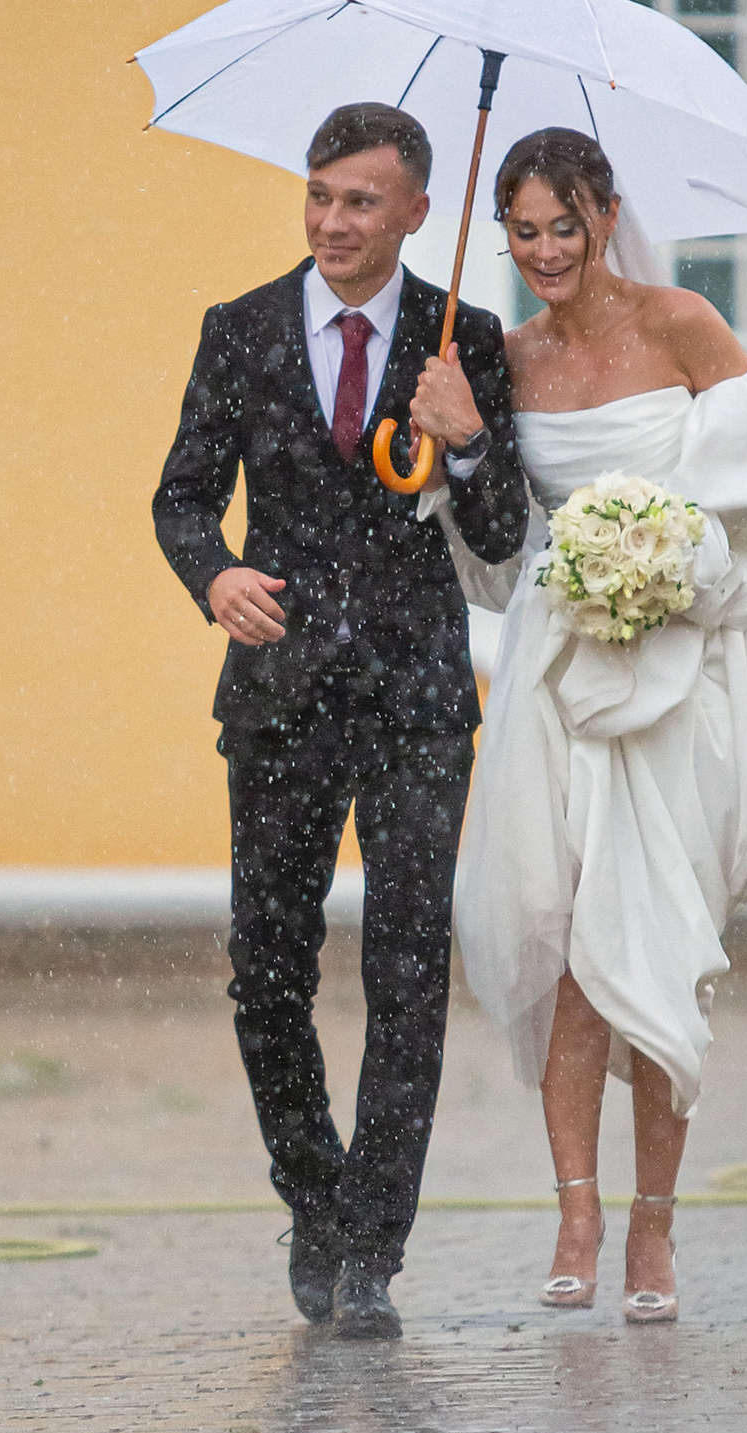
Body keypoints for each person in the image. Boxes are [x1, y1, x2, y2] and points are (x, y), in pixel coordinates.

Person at [445, 128, 747, 1323]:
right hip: (557, 677)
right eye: (522, 231)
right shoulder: (501, 359)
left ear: (605, 217)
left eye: (564, 226)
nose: (545, 252)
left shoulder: (683, 329)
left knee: (654, 946)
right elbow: (501, 544)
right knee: (566, 944)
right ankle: (576, 1209)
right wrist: (461, 436)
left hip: (680, 671)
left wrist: (668, 564)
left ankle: (654, 1235)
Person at [153, 103, 530, 1340]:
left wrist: (468, 444)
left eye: (360, 201)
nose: (331, 221)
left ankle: (373, 1248)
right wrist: (214, 573)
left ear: (417, 210)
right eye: (319, 195)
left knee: (409, 974)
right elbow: (181, 498)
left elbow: (501, 540)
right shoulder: (241, 330)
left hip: (418, 701)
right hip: (278, 702)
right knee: (265, 971)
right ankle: (313, 1198)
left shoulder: (461, 339)